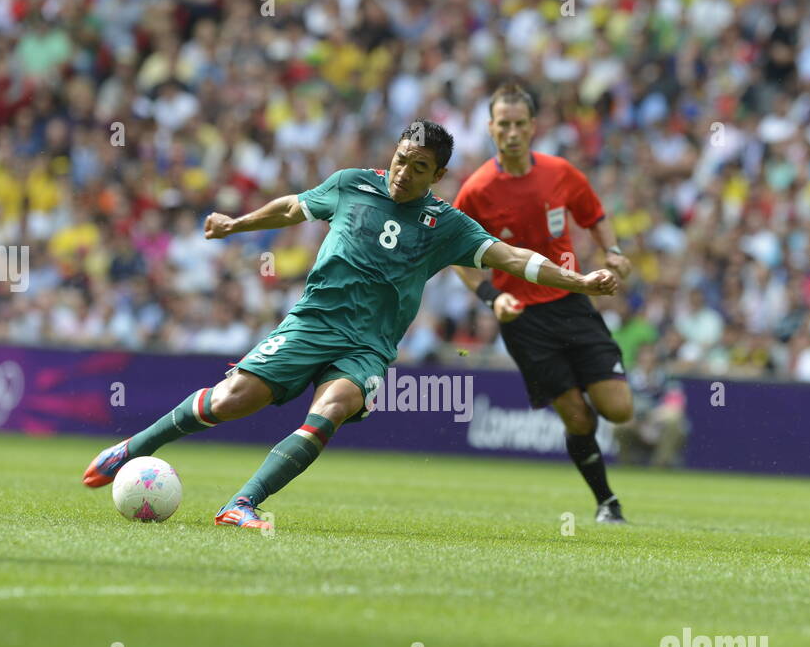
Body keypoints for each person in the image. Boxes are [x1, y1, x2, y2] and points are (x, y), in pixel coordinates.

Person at [82, 120, 617, 529]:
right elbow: (294, 208)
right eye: (402, 159)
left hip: (368, 346)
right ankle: (131, 449)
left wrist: (580, 283)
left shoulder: (446, 225)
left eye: (420, 168)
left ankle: (242, 503)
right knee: (228, 402)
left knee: (334, 408)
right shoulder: (351, 184)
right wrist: (236, 224)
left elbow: (512, 256)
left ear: (438, 176)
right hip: (311, 323)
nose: (404, 173)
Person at [451, 83, 634, 524]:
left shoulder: (560, 173)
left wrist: (613, 252)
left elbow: (595, 216)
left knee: (619, 409)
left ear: (533, 127)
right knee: (576, 415)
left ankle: (590, 405)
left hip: (572, 303)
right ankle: (607, 502)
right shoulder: (477, 190)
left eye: (519, 124)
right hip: (523, 318)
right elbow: (457, 257)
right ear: (490, 127)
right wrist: (492, 298)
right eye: (503, 124)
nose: (512, 132)